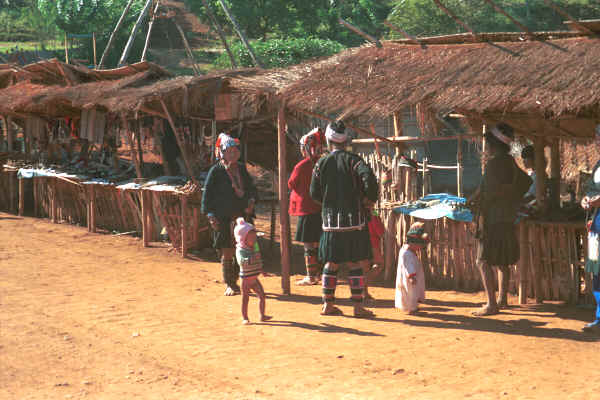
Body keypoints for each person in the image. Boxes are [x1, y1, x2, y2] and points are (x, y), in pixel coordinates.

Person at [310, 121, 378, 318]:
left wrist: (327, 203)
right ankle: (357, 307)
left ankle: (327, 305)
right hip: (354, 222)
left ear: (329, 141)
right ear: (345, 139)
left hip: (330, 224)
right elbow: (370, 180)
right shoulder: (354, 161)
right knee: (355, 263)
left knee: (331, 263)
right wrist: (368, 199)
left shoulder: (321, 163)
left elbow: (314, 193)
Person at [469, 123, 531, 316]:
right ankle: (502, 298)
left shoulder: (494, 164)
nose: (486, 147)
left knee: (482, 261)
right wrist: (511, 198)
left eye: (488, 144)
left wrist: (476, 207)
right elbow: (525, 182)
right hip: (507, 217)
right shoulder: (510, 162)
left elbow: (488, 193)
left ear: (494, 145)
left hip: (492, 219)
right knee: (502, 260)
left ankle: (491, 304)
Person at [202, 133, 258, 296]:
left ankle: (245, 281)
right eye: (230, 151)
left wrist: (251, 201)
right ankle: (230, 283)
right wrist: (210, 214)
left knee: (244, 250)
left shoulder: (241, 168)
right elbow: (208, 194)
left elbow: (250, 189)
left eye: (235, 151)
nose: (233, 154)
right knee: (227, 250)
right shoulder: (216, 171)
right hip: (223, 217)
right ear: (222, 153)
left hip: (242, 217)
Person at [289, 127, 324, 286]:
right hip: (320, 208)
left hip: (306, 208)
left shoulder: (301, 166)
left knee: (309, 244)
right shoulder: (323, 163)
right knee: (318, 242)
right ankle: (319, 274)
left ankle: (311, 276)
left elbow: (291, 183)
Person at [234, 217, 272, 325]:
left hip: (254, 278)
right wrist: (252, 258)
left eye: (255, 238)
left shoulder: (254, 248)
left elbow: (258, 261)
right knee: (245, 298)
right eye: (251, 238)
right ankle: (245, 317)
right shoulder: (240, 250)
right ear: (243, 238)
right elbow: (242, 262)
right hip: (246, 279)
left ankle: (262, 315)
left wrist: (262, 270)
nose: (254, 240)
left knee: (262, 296)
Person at [581, 124, 600, 333]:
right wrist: (585, 200)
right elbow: (590, 190)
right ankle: (599, 316)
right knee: (597, 272)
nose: (597, 142)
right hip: (596, 228)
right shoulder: (597, 166)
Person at [395, 222, 428, 313]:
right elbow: (408, 265)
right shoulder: (407, 254)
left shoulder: (407, 250)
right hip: (410, 278)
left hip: (410, 277)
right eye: (419, 246)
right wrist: (411, 276)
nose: (420, 248)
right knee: (411, 293)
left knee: (412, 292)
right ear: (413, 243)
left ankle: (413, 307)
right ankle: (412, 309)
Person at [363, 208, 385, 300]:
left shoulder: (357, 211)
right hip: (372, 242)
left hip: (360, 242)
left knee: (365, 267)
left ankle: (364, 292)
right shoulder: (373, 212)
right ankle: (362, 283)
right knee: (379, 264)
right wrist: (382, 233)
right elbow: (378, 228)